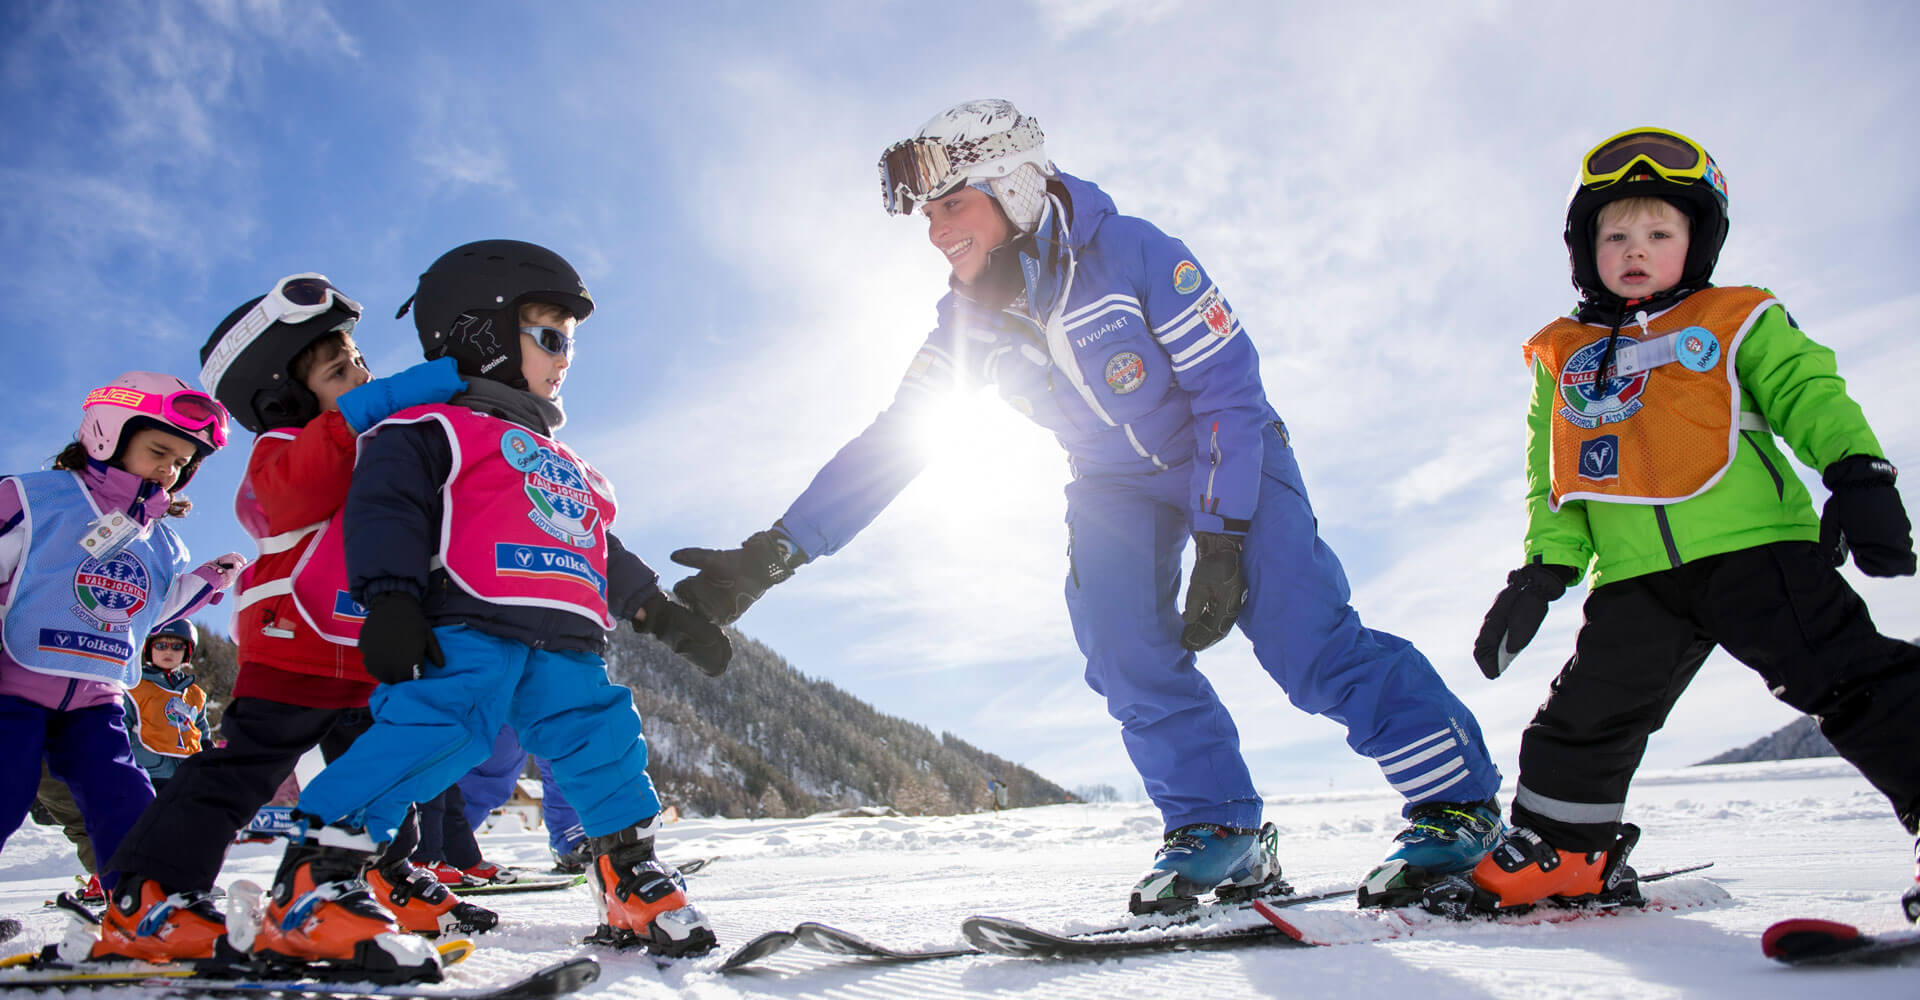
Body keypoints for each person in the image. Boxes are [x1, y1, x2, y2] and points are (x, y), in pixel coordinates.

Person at [668, 99, 1506, 914]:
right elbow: (897, 442)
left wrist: (1221, 538)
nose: (934, 230)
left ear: (1017, 186)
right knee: (1120, 644)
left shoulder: (1137, 253)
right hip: (1111, 484)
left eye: (952, 203)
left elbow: (1228, 392)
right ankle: (1218, 826)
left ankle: (1457, 803)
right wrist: (771, 554)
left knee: (1302, 636)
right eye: (926, 213)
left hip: (1225, 451)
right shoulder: (966, 323)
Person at [1465, 127, 1920, 917]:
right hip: (1634, 577)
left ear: (1696, 241)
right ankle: (1567, 853)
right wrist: (1544, 569)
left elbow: (1808, 391)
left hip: (1757, 553)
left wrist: (1856, 472)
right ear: (1585, 248)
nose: (1635, 249)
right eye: (1616, 234)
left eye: (1658, 233)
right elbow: (1555, 476)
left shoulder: (1736, 316)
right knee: (1583, 714)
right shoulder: (1561, 355)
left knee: (1849, 679)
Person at [269, 239, 731, 975]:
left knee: (601, 740)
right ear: (480, 334)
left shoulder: (563, 460)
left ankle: (627, 874)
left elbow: (597, 544)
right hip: (467, 625)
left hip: (567, 640)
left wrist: (659, 612)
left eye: (570, 343)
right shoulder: (431, 428)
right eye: (549, 337)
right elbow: (384, 508)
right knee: (433, 736)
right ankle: (317, 877)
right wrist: (388, 599)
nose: (564, 357)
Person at [98, 274, 492, 969]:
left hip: (365, 651)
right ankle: (149, 897)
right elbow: (290, 494)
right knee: (244, 771)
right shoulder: (284, 447)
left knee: (375, 770)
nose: (363, 377)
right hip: (295, 643)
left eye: (360, 363)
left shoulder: (381, 446)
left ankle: (376, 876)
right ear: (287, 391)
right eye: (340, 372)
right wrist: (385, 400)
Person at [0, 373, 244, 905]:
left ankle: (146, 906)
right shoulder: (34, 498)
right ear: (108, 433)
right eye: (159, 450)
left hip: (97, 698)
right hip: (13, 687)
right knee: (7, 791)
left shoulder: (162, 542)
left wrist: (205, 582)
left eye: (181, 462)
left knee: (125, 798)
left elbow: (150, 611)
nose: (169, 469)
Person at [121, 619, 211, 793]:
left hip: (187, 775)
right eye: (161, 646)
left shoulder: (194, 693)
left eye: (177, 647)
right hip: (147, 773)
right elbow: (122, 725)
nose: (168, 651)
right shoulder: (135, 687)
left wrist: (207, 749)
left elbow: (200, 729)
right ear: (148, 649)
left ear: (187, 652)